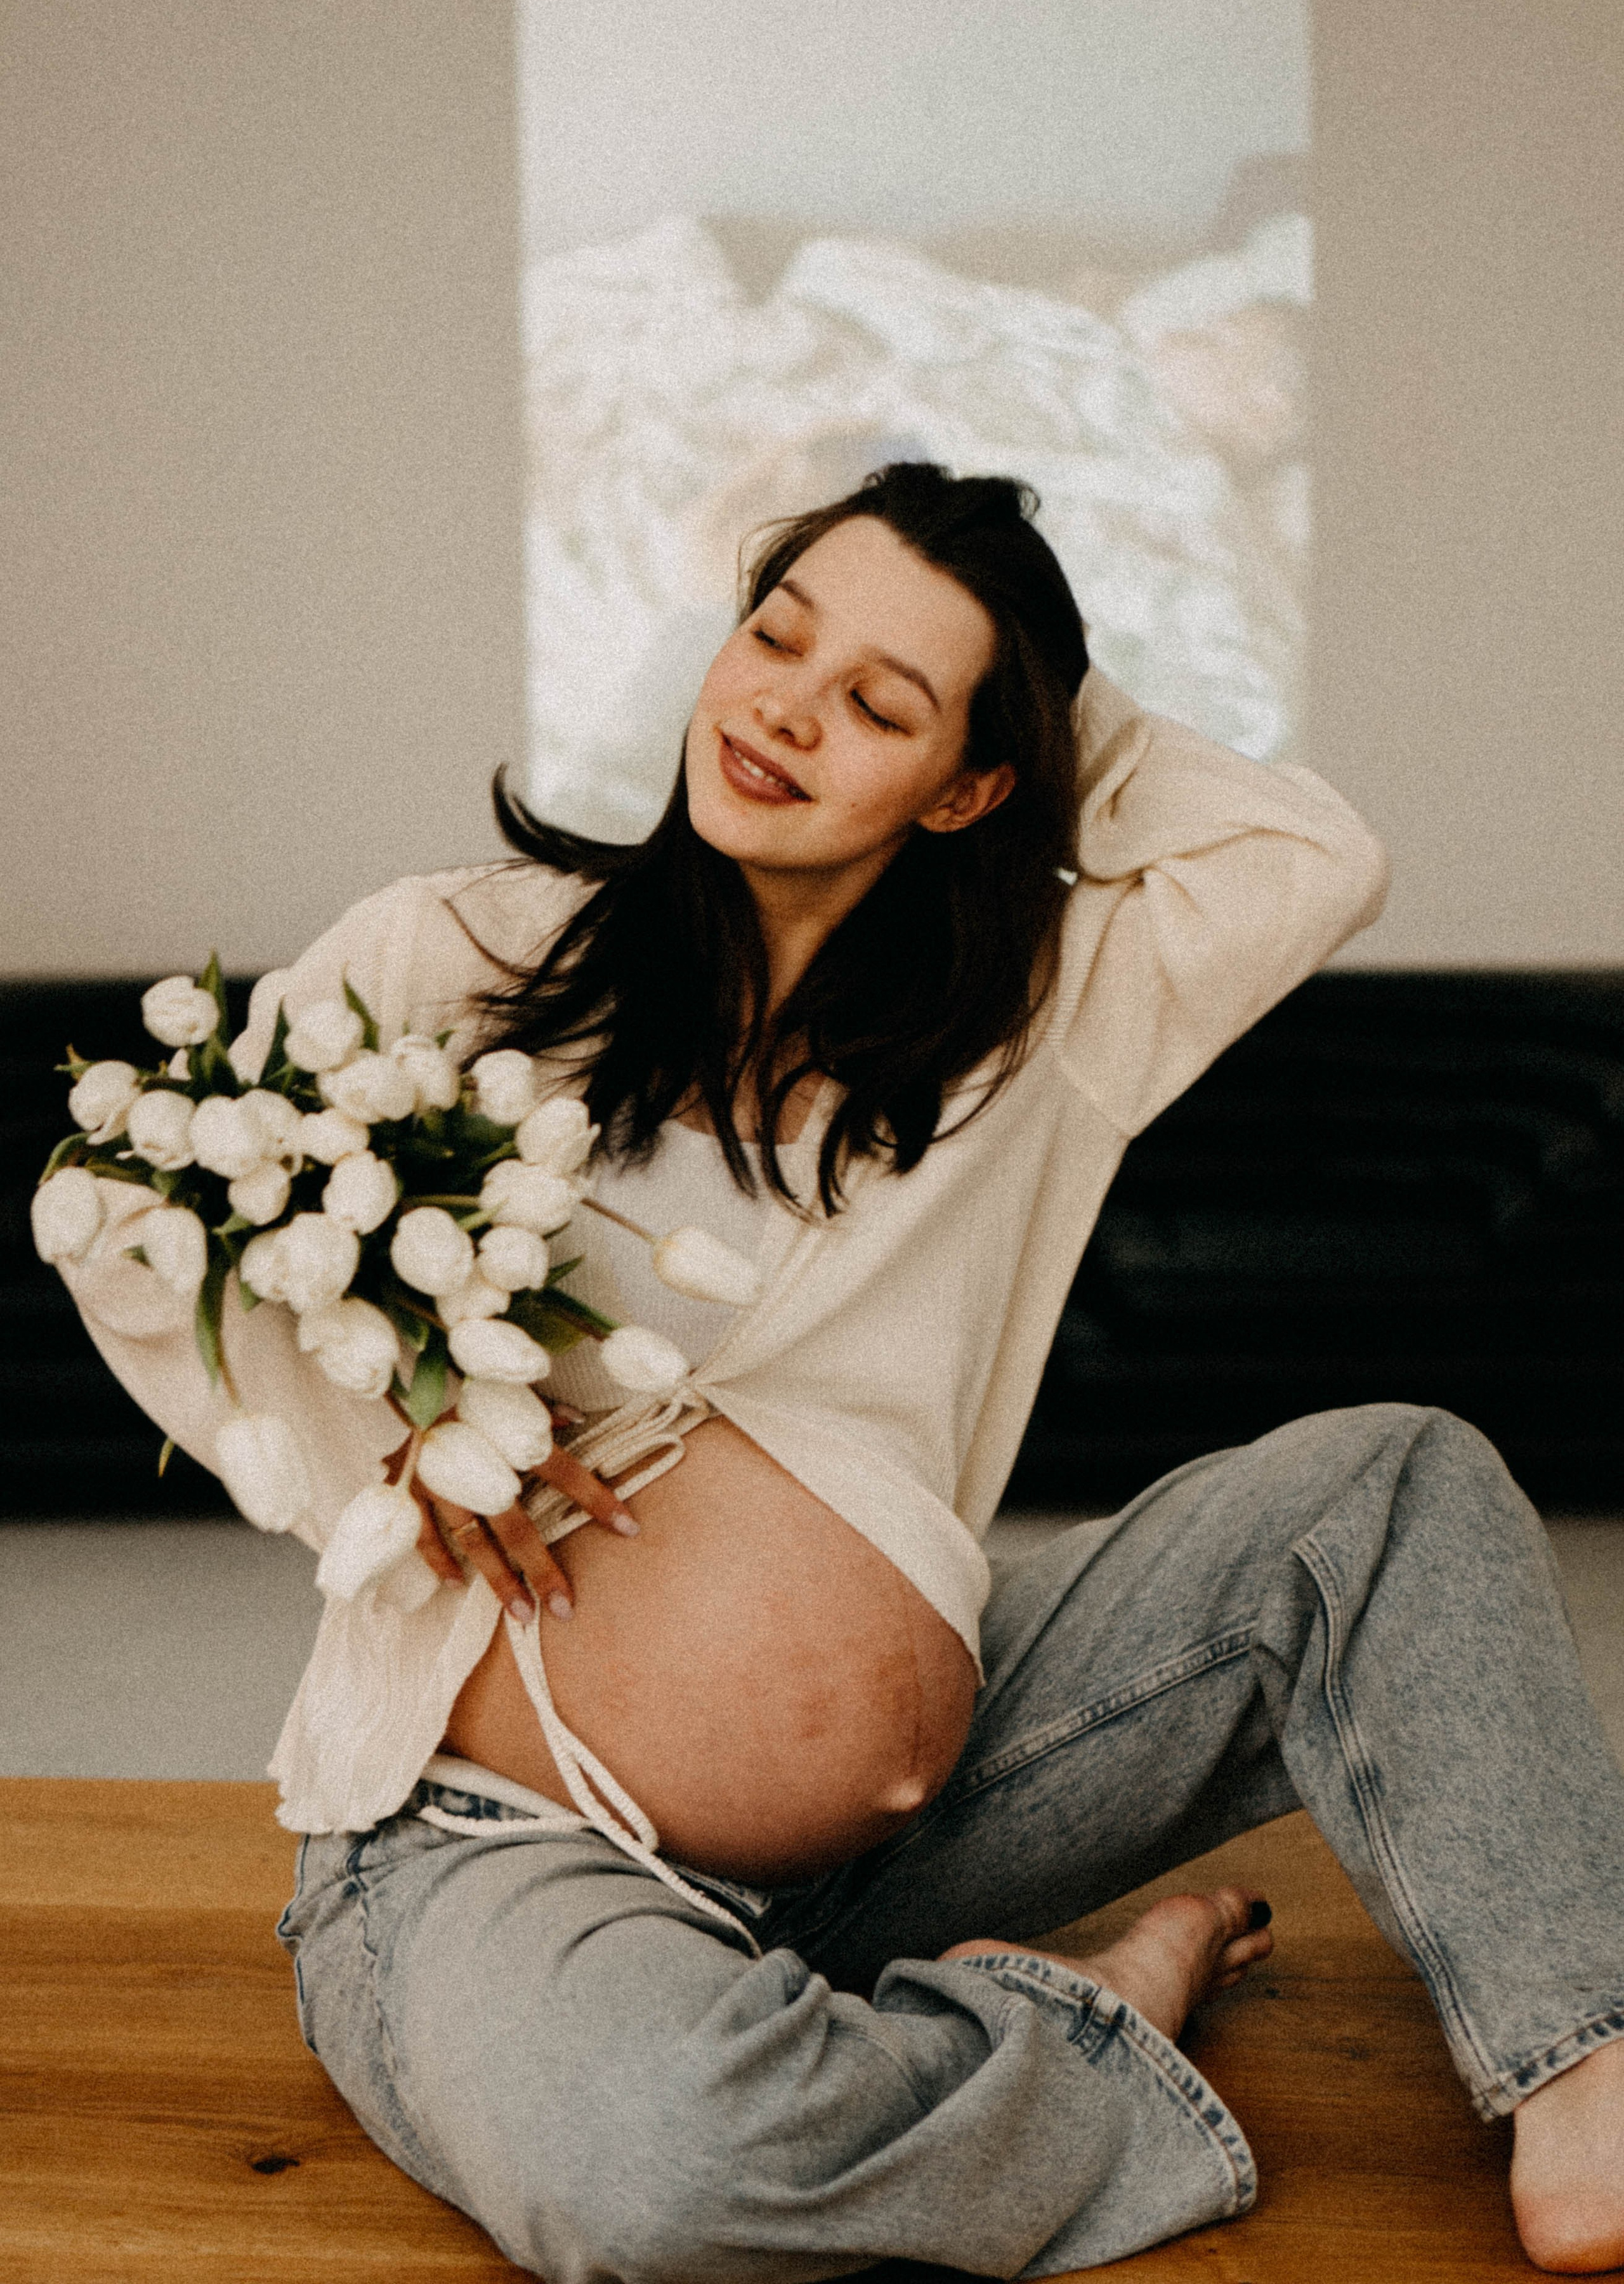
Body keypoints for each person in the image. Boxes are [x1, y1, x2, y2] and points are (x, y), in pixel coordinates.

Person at [62, 464, 1624, 2275]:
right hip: (493, 1846)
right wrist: (385, 1434)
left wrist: (1032, 680)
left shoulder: (1052, 1021)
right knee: (658, 2161)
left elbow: (1313, 861)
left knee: (1396, 1486)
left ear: (974, 787)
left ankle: (1582, 2066)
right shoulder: (460, 953)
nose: (786, 708)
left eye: (881, 705)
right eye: (772, 637)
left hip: (915, 1831)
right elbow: (135, 1210)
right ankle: (1076, 2017)